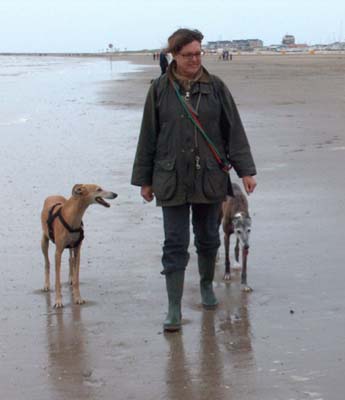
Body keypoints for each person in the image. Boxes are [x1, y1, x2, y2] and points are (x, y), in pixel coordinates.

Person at [131, 28, 257, 332]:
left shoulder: (216, 87)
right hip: (170, 177)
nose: (195, 59)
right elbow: (148, 135)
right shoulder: (159, 89)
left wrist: (246, 170)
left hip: (209, 177)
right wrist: (144, 180)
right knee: (175, 242)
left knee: (208, 238)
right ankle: (173, 307)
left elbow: (234, 130)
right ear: (174, 55)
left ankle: (206, 287)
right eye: (188, 55)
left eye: (199, 53)